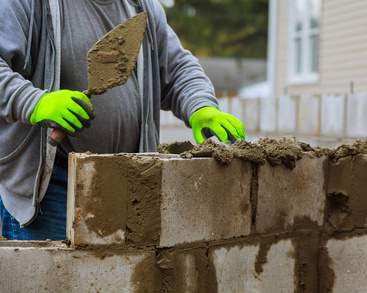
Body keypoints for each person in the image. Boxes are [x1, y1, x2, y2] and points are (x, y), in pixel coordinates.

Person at [0, 0, 245, 240]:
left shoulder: (140, 6)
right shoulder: (28, 4)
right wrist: (35, 103)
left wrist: (201, 107)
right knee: (58, 280)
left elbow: (178, 68)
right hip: (52, 189)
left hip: (128, 185)